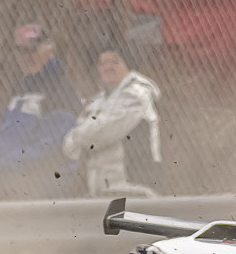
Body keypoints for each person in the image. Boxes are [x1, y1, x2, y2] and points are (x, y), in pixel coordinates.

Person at [0, 23, 80, 197]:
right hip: (9, 177)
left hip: (43, 183)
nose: (25, 57)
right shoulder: (20, 88)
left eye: (31, 50)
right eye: (20, 51)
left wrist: (3, 166)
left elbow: (52, 148)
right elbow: (3, 136)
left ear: (49, 50)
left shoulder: (61, 89)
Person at [63, 41, 163, 198]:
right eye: (103, 63)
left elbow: (102, 132)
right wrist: (81, 135)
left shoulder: (137, 93)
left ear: (127, 65)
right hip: (101, 189)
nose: (108, 67)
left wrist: (78, 135)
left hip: (135, 189)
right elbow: (71, 145)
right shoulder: (97, 101)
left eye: (115, 62)